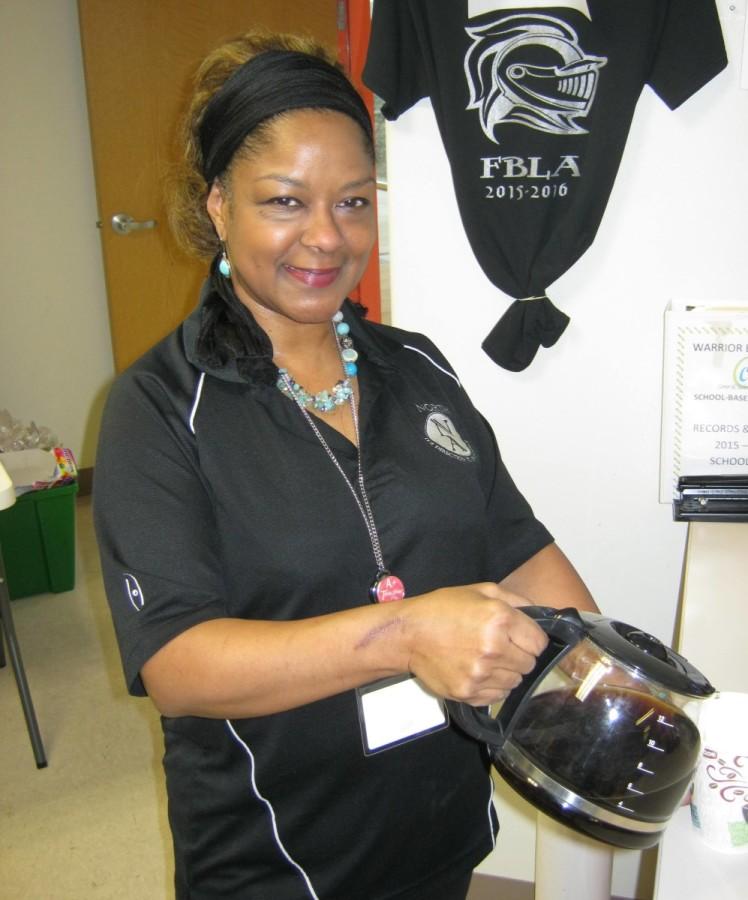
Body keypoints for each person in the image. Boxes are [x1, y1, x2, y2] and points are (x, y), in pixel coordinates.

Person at [93, 30, 598, 900]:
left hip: (440, 820)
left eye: (354, 202)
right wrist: (405, 636)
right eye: (286, 201)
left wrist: (596, 675)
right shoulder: (158, 410)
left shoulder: (418, 367)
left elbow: (516, 546)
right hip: (278, 855)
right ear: (217, 205)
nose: (326, 239)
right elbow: (177, 663)